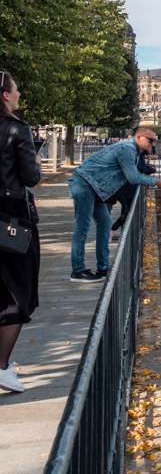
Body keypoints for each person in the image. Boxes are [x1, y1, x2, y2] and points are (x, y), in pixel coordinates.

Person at [68, 127, 161, 282]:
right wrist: (156, 182)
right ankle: (77, 270)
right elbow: (133, 177)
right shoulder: (127, 149)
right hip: (84, 184)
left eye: (154, 140)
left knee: (105, 223)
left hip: (94, 187)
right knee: (82, 227)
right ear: (139, 137)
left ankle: (103, 268)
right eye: (150, 140)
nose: (153, 143)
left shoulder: (134, 152)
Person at [0, 71, 42, 393]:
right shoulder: (18, 129)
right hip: (11, 218)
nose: (18, 95)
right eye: (15, 91)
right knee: (17, 291)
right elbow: (30, 177)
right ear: (5, 95)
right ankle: (1, 368)